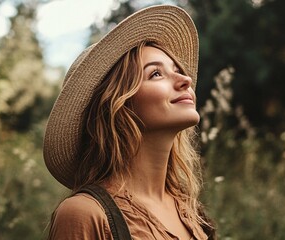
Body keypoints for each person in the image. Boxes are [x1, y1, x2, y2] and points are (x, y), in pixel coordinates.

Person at [43, 5, 215, 239]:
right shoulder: (85, 214)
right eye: (156, 74)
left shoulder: (190, 212)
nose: (185, 79)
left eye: (178, 70)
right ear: (119, 105)